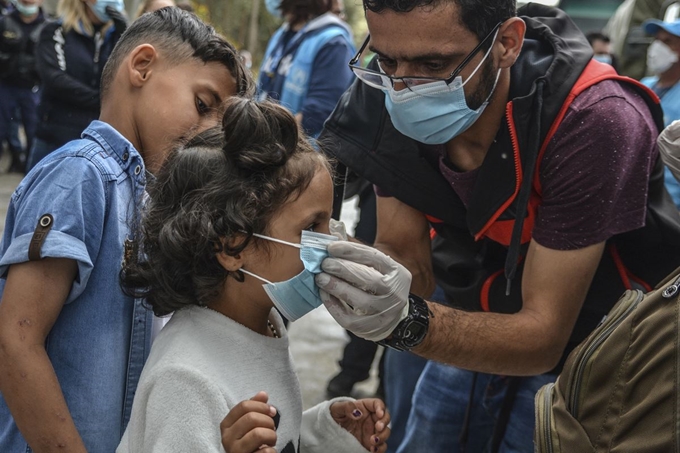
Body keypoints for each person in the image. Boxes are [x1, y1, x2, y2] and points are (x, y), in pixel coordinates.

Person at [316, 1, 680, 451]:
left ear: (506, 43)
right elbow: (409, 262)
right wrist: (354, 271)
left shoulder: (595, 119)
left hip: (589, 344)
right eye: (387, 60)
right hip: (474, 303)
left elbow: (543, 338)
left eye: (434, 65)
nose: (405, 88)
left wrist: (406, 322)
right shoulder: (386, 88)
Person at [0, 8, 251, 452]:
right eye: (203, 105)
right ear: (142, 66)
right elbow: (15, 340)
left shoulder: (147, 197)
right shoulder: (82, 175)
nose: (210, 133)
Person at [117, 98, 391, 453]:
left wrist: (324, 431)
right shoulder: (185, 379)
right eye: (311, 227)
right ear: (233, 249)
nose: (331, 242)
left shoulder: (264, 322)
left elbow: (278, 434)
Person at [25, 0, 128, 172]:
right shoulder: (56, 31)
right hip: (54, 136)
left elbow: (125, 79)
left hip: (97, 140)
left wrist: (124, 36)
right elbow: (55, 80)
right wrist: (100, 99)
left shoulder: (114, 35)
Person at [258, 0, 355, 137]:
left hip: (299, 152)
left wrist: (271, 142)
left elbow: (319, 112)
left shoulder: (334, 43)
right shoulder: (281, 35)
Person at [0, 0, 46, 173]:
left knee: (34, 132)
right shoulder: (5, 22)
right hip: (6, 86)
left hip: (33, 88)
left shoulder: (46, 26)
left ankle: (32, 171)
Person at [641, 18, 680, 209]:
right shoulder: (644, 86)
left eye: (667, 41)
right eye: (656, 40)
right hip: (640, 199)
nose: (657, 47)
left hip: (673, 203)